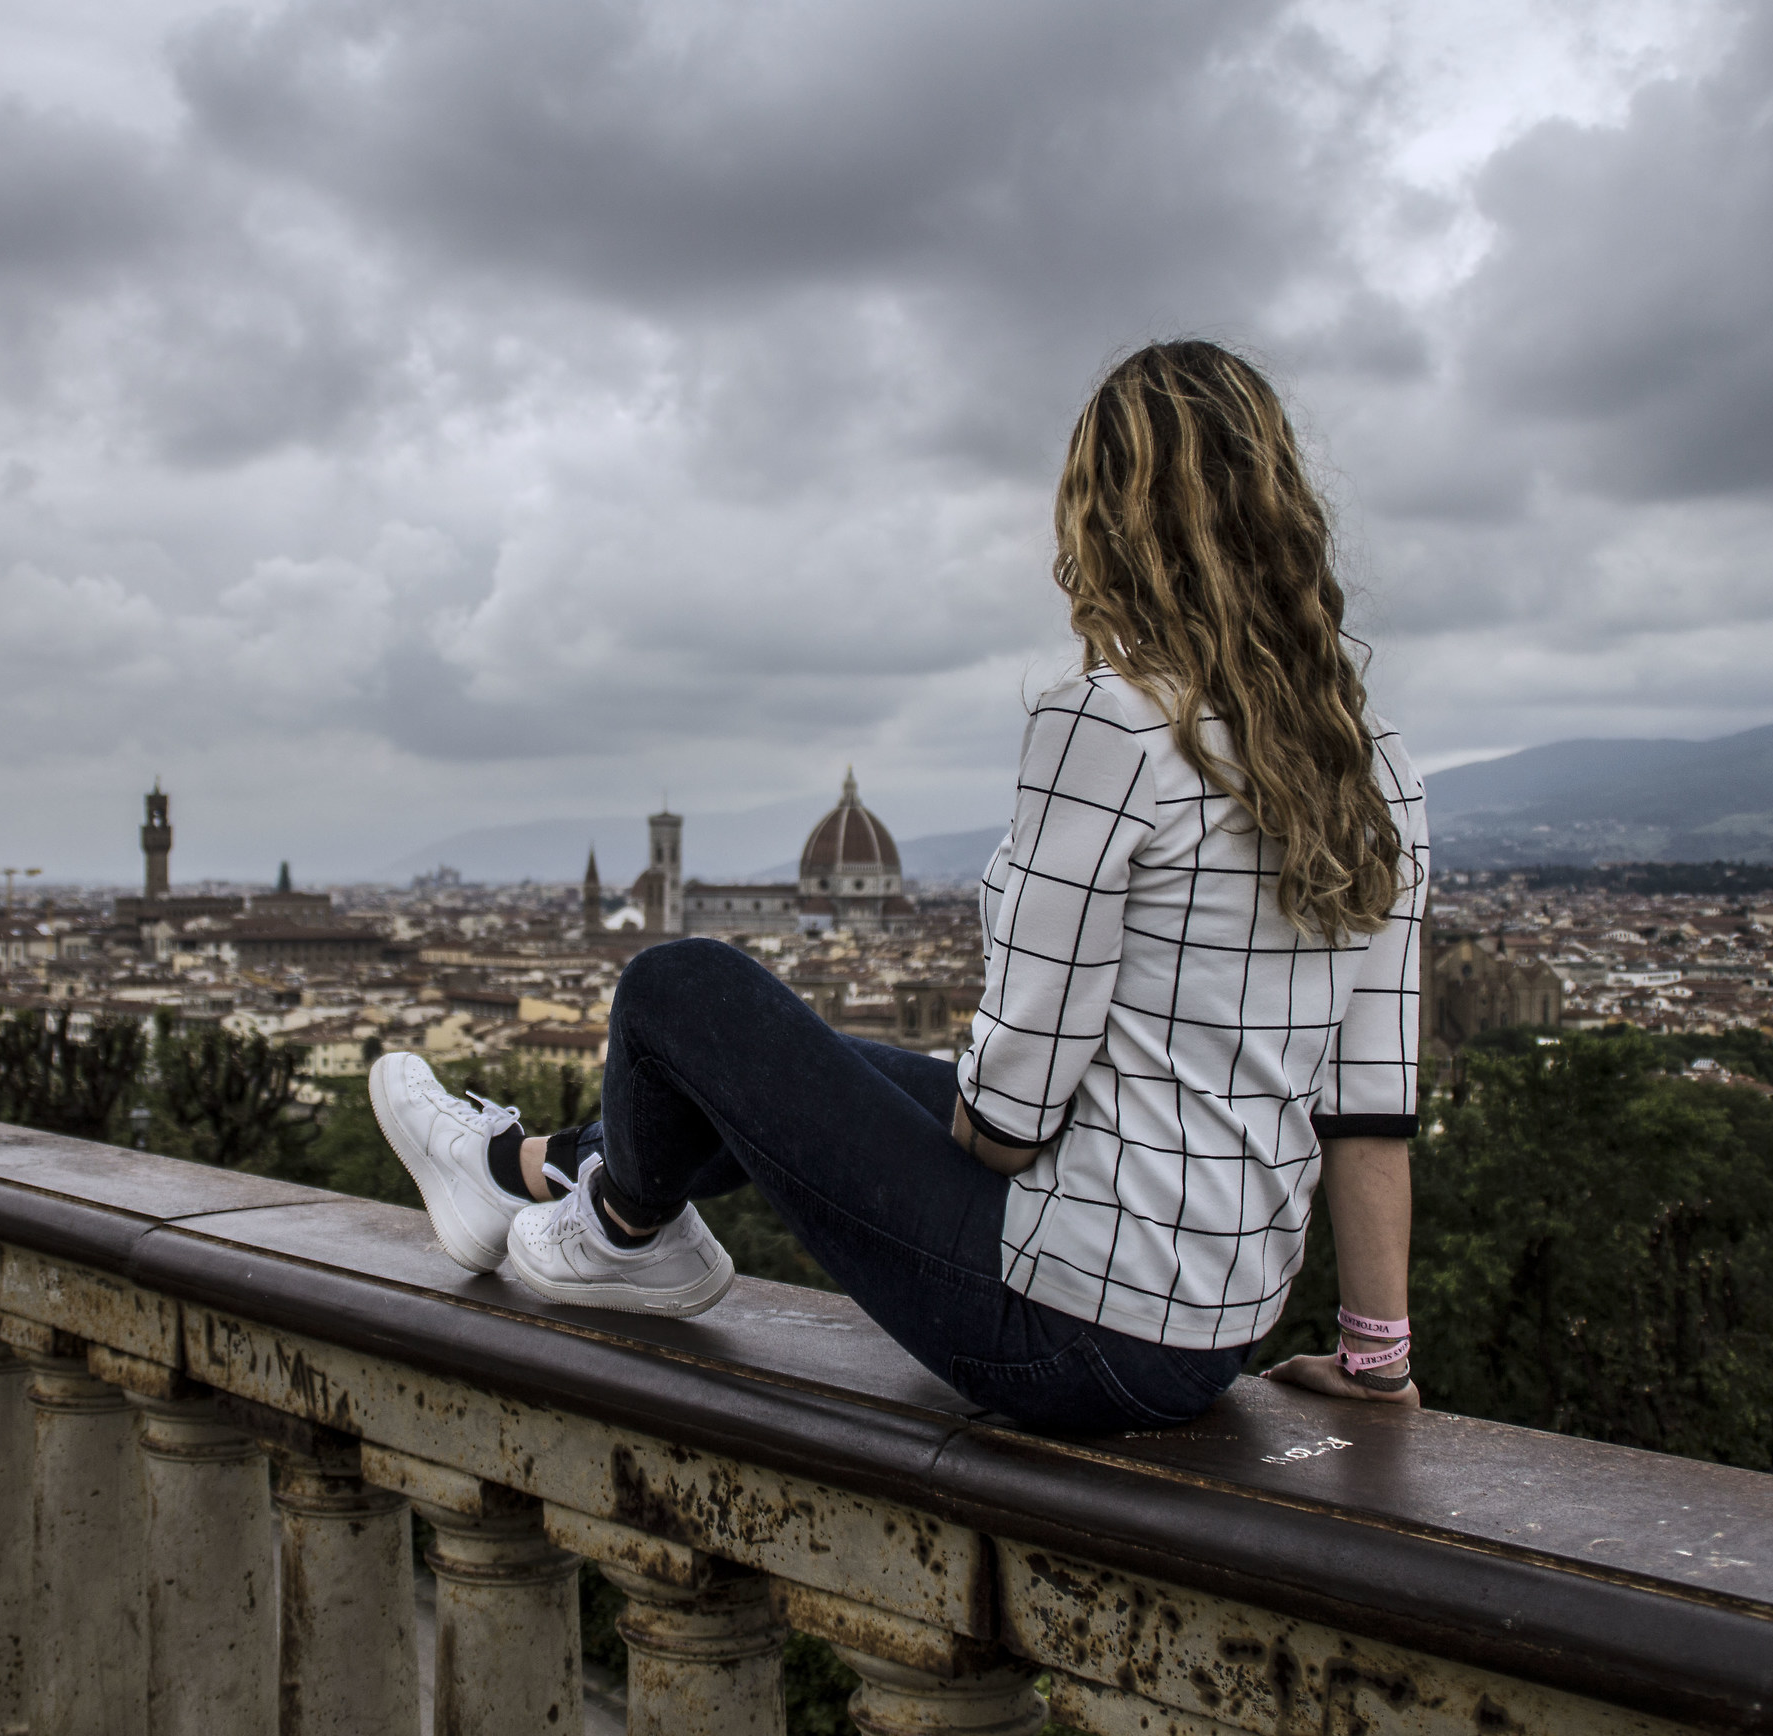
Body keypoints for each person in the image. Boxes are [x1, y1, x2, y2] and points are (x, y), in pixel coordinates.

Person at [371, 340, 1429, 1434]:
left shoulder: (1109, 723)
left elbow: (1011, 1116)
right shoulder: (1377, 764)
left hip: (1063, 1328)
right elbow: (1369, 1108)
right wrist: (1379, 1360)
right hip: (1212, 1337)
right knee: (827, 1069)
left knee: (677, 988)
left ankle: (623, 1223)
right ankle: (529, 1171)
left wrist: (877, 1141)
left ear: (1103, 522)